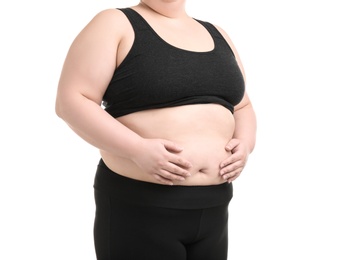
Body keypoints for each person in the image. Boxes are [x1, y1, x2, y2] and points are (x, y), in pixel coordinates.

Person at [55, 0, 256, 259]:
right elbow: (71, 101)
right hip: (140, 204)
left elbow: (242, 106)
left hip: (215, 206)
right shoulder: (115, 23)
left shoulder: (218, 33)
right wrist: (137, 149)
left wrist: (245, 142)